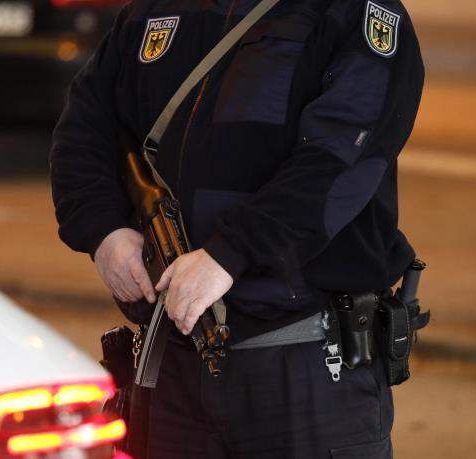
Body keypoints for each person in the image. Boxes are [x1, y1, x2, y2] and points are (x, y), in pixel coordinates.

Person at [50, 0, 424, 457]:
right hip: (172, 365)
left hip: (305, 364)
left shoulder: (353, 11)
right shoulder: (151, 10)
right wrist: (103, 231)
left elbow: (341, 159)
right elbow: (85, 126)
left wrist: (232, 252)